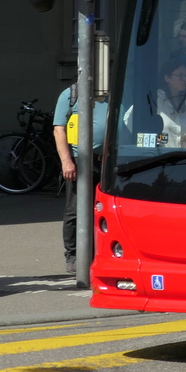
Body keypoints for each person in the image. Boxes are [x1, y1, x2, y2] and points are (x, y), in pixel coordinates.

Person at [53, 82, 109, 275]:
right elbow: (59, 129)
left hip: (107, 161)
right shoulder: (71, 94)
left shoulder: (112, 93)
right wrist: (67, 161)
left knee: (104, 209)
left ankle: (98, 253)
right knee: (75, 209)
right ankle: (73, 256)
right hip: (80, 160)